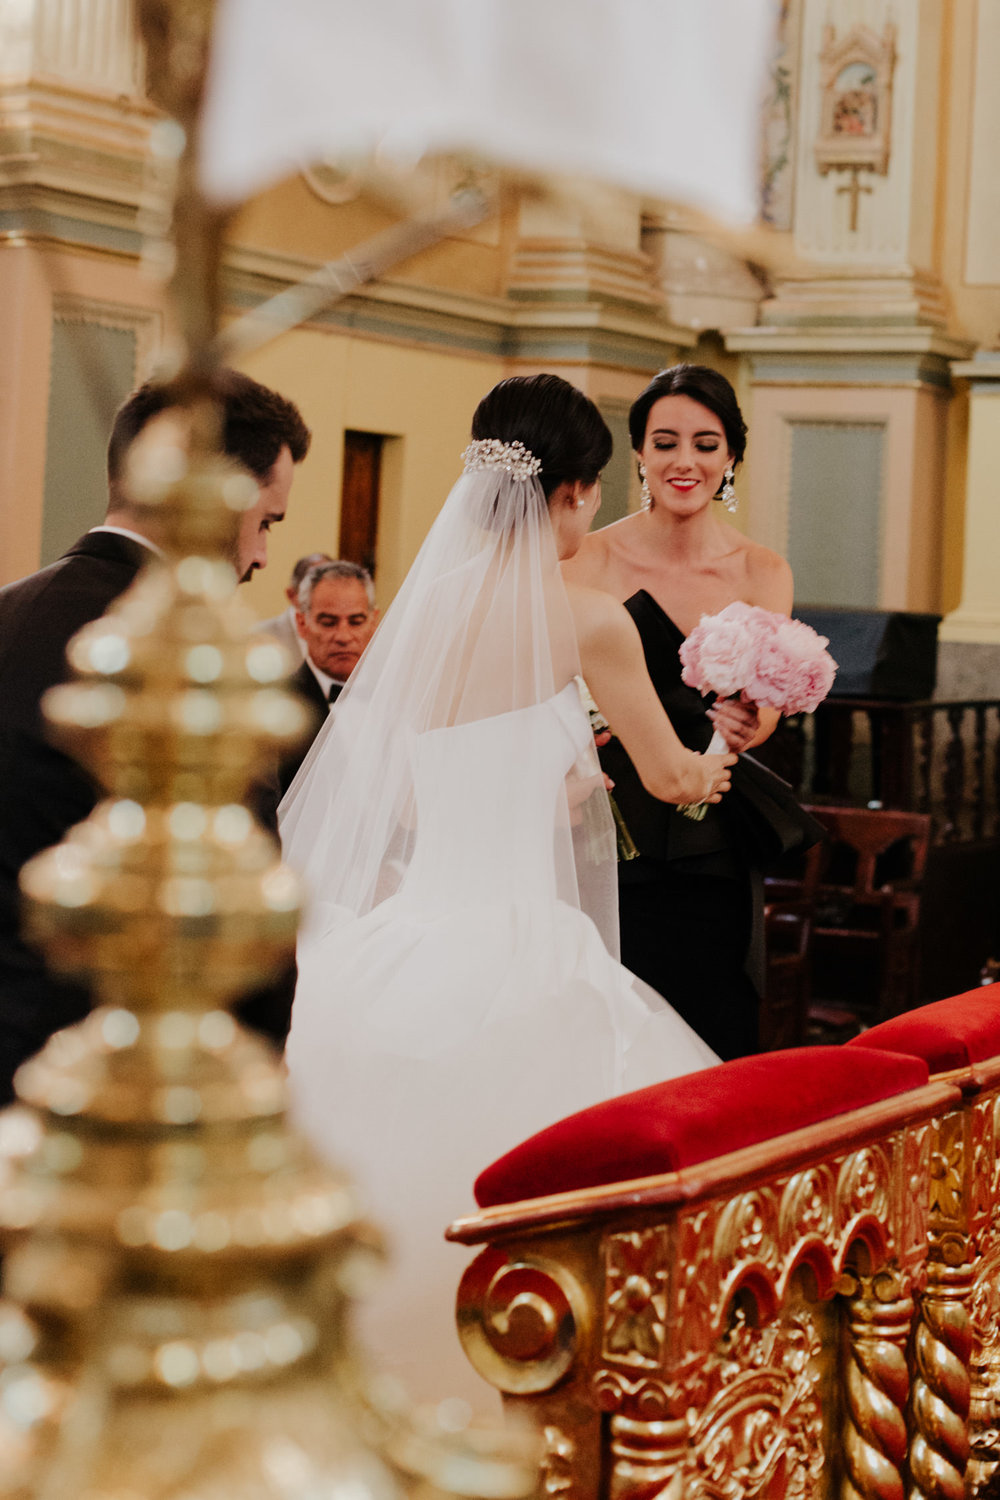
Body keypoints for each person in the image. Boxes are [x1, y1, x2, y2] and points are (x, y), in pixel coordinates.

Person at [279, 373, 734, 1409]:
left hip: (408, 933)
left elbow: (389, 802)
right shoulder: (589, 617)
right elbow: (672, 782)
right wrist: (725, 748)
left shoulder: (422, 613)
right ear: (572, 492)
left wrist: (536, 769)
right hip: (525, 945)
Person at [0, 369, 311, 1102]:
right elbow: (241, 921)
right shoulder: (196, 663)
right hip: (115, 1085)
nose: (261, 556)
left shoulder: (8, 615)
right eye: (265, 521)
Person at [562, 362, 800, 1060]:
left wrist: (754, 723)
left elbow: (767, 704)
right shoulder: (589, 558)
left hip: (711, 834)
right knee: (610, 1019)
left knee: (710, 1018)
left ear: (732, 456)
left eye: (705, 442)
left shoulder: (763, 570)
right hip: (610, 825)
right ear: (638, 452)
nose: (684, 461)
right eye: (665, 442)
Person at [279, 560, 379, 791]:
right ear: (302, 623)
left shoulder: (398, 698)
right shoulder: (280, 702)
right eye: (328, 622)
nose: (343, 636)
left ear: (373, 622)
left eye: (356, 621)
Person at [254, 550, 333, 658]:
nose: (328, 598)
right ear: (292, 595)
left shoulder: (346, 636)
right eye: (315, 589)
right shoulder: (259, 637)